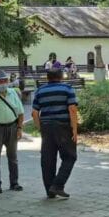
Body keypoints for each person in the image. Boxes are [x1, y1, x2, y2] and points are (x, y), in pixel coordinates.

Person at [32, 67, 79, 200]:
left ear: (47, 78)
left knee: (47, 160)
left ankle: (50, 191)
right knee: (70, 157)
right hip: (63, 127)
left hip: (46, 127)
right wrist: (74, 129)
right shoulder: (67, 89)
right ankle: (58, 185)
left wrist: (40, 128)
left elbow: (34, 112)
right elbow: (72, 109)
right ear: (62, 76)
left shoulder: (40, 91)